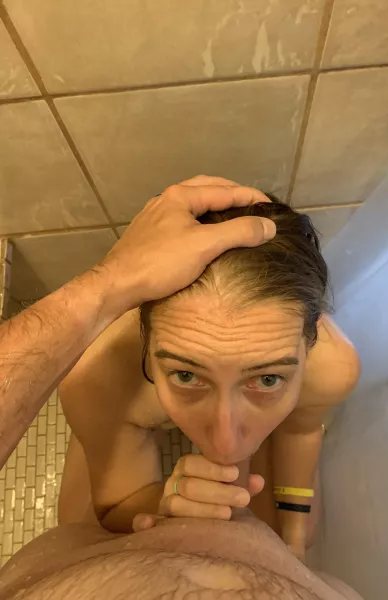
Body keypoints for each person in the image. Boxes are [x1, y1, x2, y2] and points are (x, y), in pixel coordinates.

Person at [0, 176, 361, 599]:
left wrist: (295, 535)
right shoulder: (97, 376)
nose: (224, 442)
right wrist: (163, 503)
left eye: (267, 379)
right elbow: (116, 507)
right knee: (79, 520)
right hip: (121, 398)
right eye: (186, 375)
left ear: (310, 341)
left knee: (305, 531)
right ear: (145, 338)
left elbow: (299, 433)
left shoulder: (332, 367)